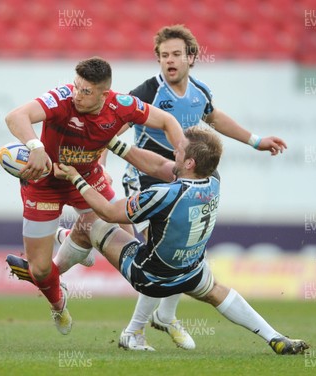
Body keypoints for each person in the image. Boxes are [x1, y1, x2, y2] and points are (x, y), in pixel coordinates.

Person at [54, 127, 308, 355]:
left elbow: (109, 212)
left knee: (87, 223)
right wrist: (114, 143)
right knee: (217, 291)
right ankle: (274, 337)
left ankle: (59, 266)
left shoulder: (164, 195)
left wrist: (77, 178)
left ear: (189, 162)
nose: (175, 148)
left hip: (149, 277)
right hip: (190, 272)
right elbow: (159, 166)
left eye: (180, 148)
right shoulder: (214, 180)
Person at [113, 24, 289, 351]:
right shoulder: (147, 92)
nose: (170, 61)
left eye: (177, 54)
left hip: (188, 179)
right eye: (164, 55)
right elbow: (117, 123)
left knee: (183, 250)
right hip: (149, 178)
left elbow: (214, 117)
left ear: (191, 57)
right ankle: (135, 330)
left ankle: (163, 317)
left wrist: (256, 141)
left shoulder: (200, 91)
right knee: (162, 254)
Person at [4, 56, 184, 334]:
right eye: (76, 86)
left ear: (104, 93)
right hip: (45, 183)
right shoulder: (62, 98)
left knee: (129, 244)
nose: (77, 95)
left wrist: (182, 150)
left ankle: (77, 239)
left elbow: (168, 120)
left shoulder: (122, 106)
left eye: (86, 91)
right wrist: (35, 146)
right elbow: (15, 116)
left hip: (88, 178)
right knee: (39, 270)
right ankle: (58, 304)